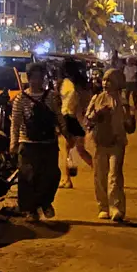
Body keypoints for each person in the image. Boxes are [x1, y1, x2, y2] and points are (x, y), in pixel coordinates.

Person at [10, 63, 69, 221]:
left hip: (48, 143)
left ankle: (45, 203)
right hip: (27, 143)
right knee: (27, 177)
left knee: (51, 175)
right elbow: (15, 123)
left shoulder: (50, 97)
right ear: (28, 79)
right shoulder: (20, 99)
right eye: (33, 77)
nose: (36, 81)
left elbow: (58, 116)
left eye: (39, 77)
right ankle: (30, 210)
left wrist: (65, 132)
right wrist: (13, 144)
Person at [86, 69, 137, 222]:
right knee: (100, 176)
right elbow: (87, 121)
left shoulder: (123, 102)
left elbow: (130, 127)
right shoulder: (96, 99)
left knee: (114, 175)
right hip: (100, 142)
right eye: (104, 80)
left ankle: (116, 207)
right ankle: (103, 207)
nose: (105, 84)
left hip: (117, 142)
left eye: (109, 81)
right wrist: (96, 115)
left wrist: (130, 119)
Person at [59, 59, 93, 189]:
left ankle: (66, 179)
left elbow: (68, 102)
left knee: (65, 150)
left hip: (69, 118)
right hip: (80, 119)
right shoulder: (82, 84)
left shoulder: (67, 83)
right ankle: (99, 172)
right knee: (80, 150)